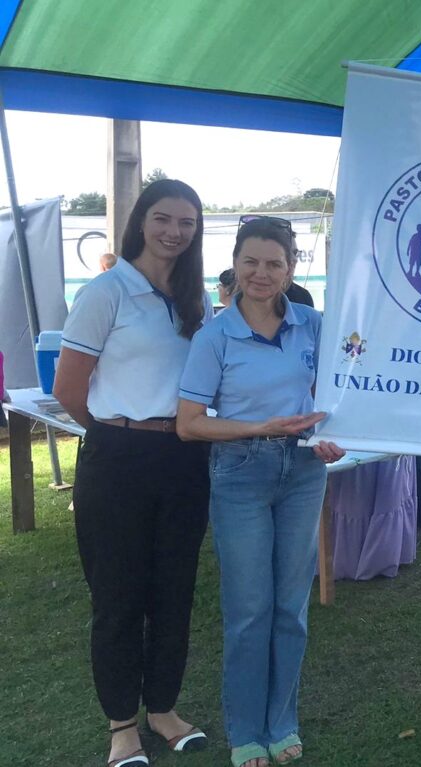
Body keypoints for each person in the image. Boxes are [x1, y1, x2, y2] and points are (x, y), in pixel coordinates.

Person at [53, 179, 214, 767]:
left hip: (183, 458)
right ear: (141, 222)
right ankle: (123, 725)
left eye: (188, 222)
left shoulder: (196, 298)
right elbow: (69, 390)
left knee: (174, 591)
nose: (174, 231)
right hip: (117, 457)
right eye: (163, 218)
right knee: (118, 596)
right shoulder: (107, 290)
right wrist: (120, 432)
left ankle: (164, 709)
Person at [176, 218, 345, 767]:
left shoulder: (316, 327)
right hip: (240, 474)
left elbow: (343, 394)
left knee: (291, 608)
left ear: (291, 268)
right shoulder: (214, 336)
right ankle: (247, 730)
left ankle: (282, 721)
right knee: (250, 610)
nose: (262, 273)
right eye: (251, 261)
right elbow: (190, 423)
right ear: (234, 265)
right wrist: (259, 427)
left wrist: (332, 435)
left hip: (302, 474)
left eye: (274, 263)